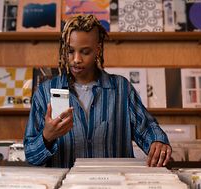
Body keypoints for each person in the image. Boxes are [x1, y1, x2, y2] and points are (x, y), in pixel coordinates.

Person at [24, 14, 172, 168]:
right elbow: (31, 156)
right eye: (70, 51)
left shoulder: (121, 88)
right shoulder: (44, 92)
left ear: (97, 50)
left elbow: (146, 128)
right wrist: (47, 136)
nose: (76, 59)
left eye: (85, 52)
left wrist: (158, 141)